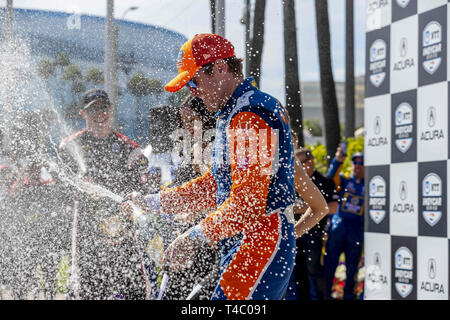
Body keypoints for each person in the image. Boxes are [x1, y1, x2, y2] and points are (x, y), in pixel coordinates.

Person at [122, 33, 328, 300]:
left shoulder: (249, 115)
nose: (193, 92)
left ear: (220, 68)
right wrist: (153, 202)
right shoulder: (231, 114)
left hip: (258, 242)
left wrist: (193, 237)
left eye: (195, 82)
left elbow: (247, 204)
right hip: (248, 241)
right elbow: (215, 186)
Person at [58, 88, 150, 300]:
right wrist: (78, 185)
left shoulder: (129, 147)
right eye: (93, 110)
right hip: (87, 231)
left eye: (104, 108)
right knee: (87, 291)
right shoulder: (70, 146)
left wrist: (132, 198)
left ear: (111, 109)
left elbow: (143, 189)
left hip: (123, 228)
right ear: (83, 114)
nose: (100, 114)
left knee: (135, 290)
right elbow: (60, 188)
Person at [286, 148, 339, 300]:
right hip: (296, 234)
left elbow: (333, 208)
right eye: (295, 163)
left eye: (300, 163)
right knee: (298, 273)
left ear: (311, 161)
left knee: (314, 271)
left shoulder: (325, 181)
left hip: (314, 235)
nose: (297, 166)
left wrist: (305, 207)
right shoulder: (292, 181)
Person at [323, 147, 365, 300]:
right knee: (329, 264)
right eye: (355, 163)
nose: (358, 166)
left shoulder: (372, 183)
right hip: (338, 228)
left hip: (356, 231)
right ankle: (325, 295)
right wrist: (337, 161)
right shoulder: (345, 180)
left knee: (352, 267)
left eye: (361, 164)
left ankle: (348, 295)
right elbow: (330, 178)